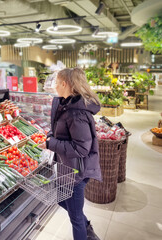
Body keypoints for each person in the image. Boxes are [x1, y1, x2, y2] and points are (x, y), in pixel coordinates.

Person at [39, 68, 102, 240]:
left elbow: (82, 148)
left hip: (76, 173)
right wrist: (51, 136)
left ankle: (86, 230)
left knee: (75, 218)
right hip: (67, 168)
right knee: (61, 199)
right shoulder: (66, 104)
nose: (55, 86)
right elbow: (63, 132)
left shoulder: (76, 113)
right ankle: (85, 224)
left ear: (64, 84)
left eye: (57, 82)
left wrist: (50, 143)